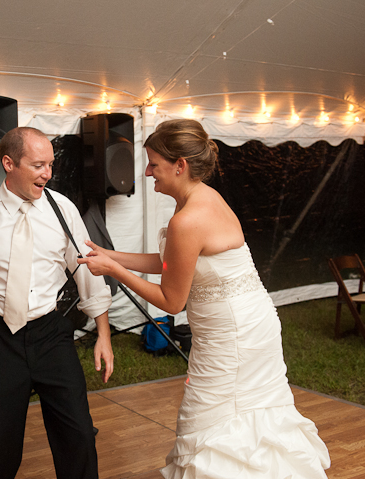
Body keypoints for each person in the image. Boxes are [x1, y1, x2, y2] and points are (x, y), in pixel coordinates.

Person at [77, 119, 330, 478]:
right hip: (247, 323)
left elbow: (171, 301)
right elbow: (171, 261)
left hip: (233, 336)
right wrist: (112, 255)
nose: (148, 173)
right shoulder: (204, 197)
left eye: (154, 164)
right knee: (247, 418)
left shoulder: (188, 219)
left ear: (180, 165)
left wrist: (114, 272)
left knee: (213, 420)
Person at [0, 126, 114, 479]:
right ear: (8, 163)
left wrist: (103, 333)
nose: (48, 174)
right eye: (39, 165)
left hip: (51, 335)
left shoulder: (64, 211)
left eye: (51, 164)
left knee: (78, 436)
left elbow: (90, 274)